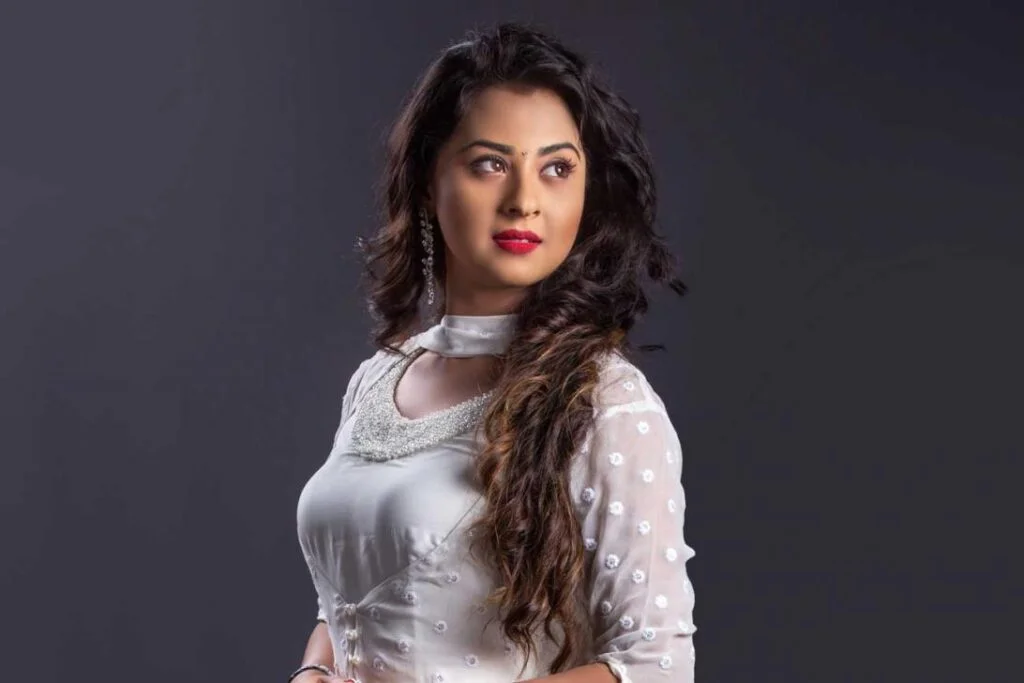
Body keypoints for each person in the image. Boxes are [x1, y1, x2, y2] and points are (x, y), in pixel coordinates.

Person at [293, 21, 697, 683]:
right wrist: (311, 673)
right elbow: (340, 607)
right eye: (490, 163)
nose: (524, 201)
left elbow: (656, 665)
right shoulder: (375, 380)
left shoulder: (603, 400)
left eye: (556, 169)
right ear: (429, 180)